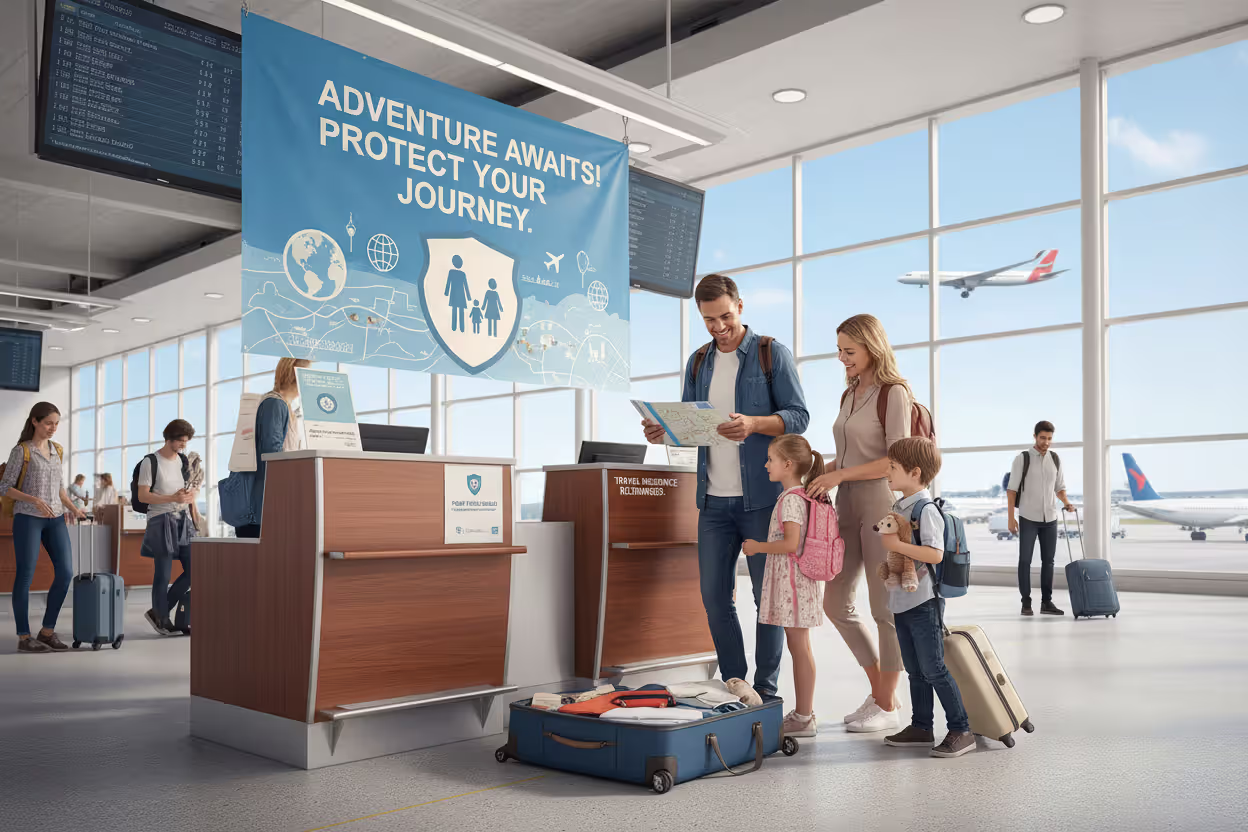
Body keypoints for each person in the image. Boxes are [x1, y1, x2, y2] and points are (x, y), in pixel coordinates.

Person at [643, 273, 809, 702]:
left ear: (740, 305)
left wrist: (755, 424)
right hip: (713, 502)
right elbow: (690, 423)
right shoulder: (699, 362)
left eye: (725, 316)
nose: (718, 327)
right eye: (708, 320)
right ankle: (737, 684)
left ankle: (767, 690)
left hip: (761, 501)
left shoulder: (773, 354)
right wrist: (664, 430)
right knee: (714, 598)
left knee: (765, 599)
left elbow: (798, 417)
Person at [806, 313, 912, 733]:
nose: (841, 358)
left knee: (882, 607)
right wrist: (823, 474)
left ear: (872, 348)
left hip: (880, 506)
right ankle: (881, 692)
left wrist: (840, 475)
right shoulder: (849, 394)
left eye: (849, 351)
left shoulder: (894, 394)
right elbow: (850, 458)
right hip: (846, 504)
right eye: (839, 350)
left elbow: (895, 460)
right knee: (834, 602)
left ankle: (886, 705)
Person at [876, 437, 974, 758]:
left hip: (924, 601)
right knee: (915, 669)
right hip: (902, 600)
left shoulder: (925, 509)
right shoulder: (899, 506)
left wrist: (895, 545)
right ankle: (921, 726)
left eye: (893, 467)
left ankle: (961, 729)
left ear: (915, 472)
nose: (887, 472)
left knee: (933, 668)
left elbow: (934, 554)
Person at [742, 434, 826, 738]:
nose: (766, 465)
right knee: (799, 647)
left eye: (770, 459)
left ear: (787, 464)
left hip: (793, 585)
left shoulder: (791, 499)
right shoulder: (797, 496)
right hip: (796, 584)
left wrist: (757, 547)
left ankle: (804, 716)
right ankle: (804, 713)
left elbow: (791, 543)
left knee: (800, 648)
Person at [0, 402, 86, 653]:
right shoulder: (22, 451)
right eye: (48, 422)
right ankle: (24, 637)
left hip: (56, 518)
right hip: (28, 518)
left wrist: (73, 508)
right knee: (25, 575)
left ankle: (47, 631)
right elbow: (4, 487)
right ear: (35, 421)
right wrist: (34, 499)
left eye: (57, 423)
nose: (53, 428)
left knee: (66, 571)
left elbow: (60, 488)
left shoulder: (57, 450)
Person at [235, 358, 310, 539]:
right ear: (294, 376)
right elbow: (271, 454)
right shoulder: (274, 404)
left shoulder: (286, 407)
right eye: (307, 375)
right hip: (263, 507)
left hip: (271, 502)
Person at [1007, 420, 1074, 616]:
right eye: (1043, 438)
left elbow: (1059, 488)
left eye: (1049, 438)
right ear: (1035, 436)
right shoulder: (1023, 458)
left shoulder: (1055, 459)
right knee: (1025, 561)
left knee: (1049, 561)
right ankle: (1026, 603)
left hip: (1050, 518)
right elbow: (1011, 491)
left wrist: (1067, 502)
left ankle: (1047, 602)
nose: (1046, 442)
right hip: (1028, 517)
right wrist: (1012, 518)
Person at [138, 419, 198, 636]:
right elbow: (142, 495)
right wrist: (171, 497)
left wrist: (189, 498)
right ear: (169, 438)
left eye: (186, 441)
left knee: (195, 569)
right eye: (181, 441)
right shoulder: (150, 462)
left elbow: (183, 490)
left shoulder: (182, 461)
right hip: (160, 519)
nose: (183, 445)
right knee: (162, 573)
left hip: (182, 518)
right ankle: (162, 618)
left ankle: (159, 610)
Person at [444, 254, 471, 332]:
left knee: (455, 311)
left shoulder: (452, 272)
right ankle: (461, 328)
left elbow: (448, 283)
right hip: (461, 294)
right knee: (460, 311)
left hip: (454, 294)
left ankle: (454, 327)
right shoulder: (462, 274)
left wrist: (446, 292)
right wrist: (468, 297)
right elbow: (465, 286)